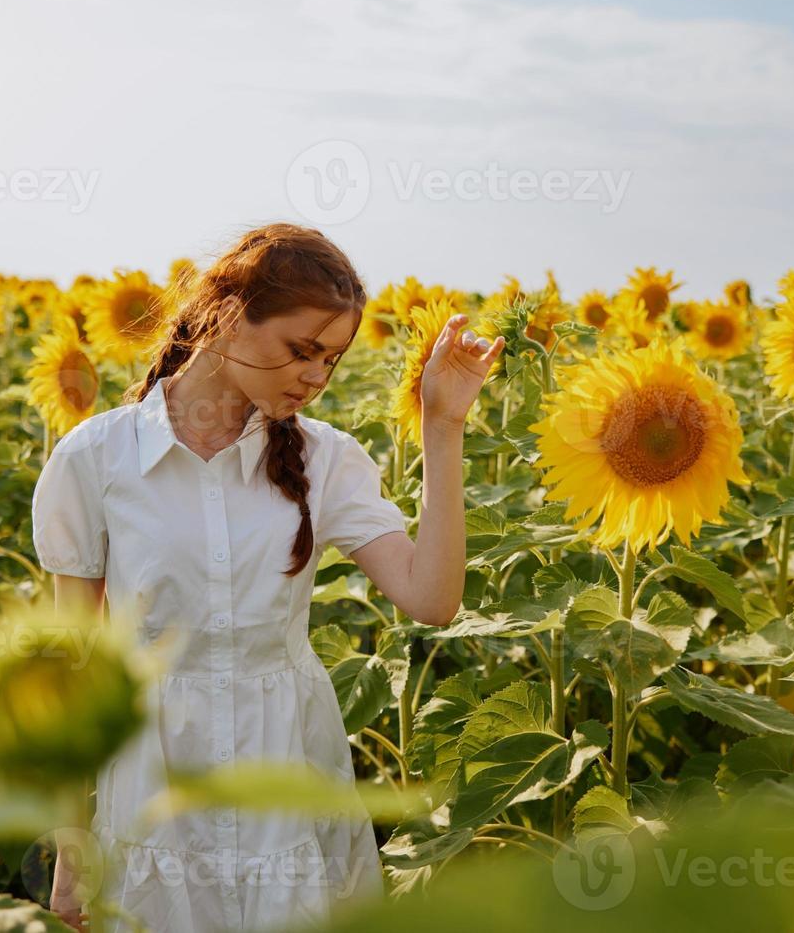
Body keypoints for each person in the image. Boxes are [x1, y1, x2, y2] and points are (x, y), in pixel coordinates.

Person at [30, 223, 505, 932]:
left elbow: (432, 600)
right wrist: (72, 851)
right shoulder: (96, 460)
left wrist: (443, 423)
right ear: (227, 313)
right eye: (302, 351)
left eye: (332, 360)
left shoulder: (325, 461)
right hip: (153, 788)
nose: (317, 377)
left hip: (287, 772)